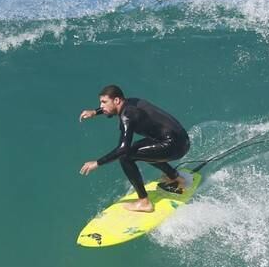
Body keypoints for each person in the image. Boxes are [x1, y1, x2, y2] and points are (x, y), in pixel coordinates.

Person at [79, 85, 191, 213]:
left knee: (125, 157)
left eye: (104, 102)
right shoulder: (131, 102)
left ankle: (144, 202)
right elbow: (109, 110)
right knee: (140, 149)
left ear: (116, 101)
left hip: (175, 146)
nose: (102, 105)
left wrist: (97, 163)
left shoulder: (127, 116)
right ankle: (175, 177)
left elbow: (122, 149)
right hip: (181, 139)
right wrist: (95, 112)